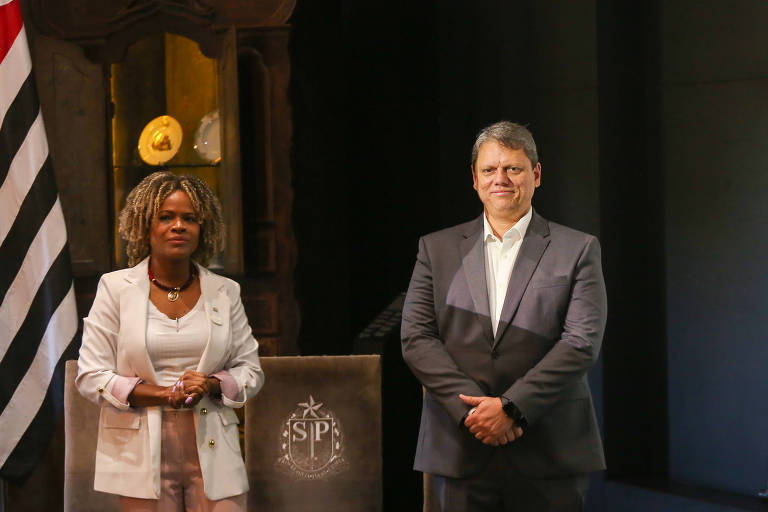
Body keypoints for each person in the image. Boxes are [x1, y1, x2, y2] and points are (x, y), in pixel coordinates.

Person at [401, 121, 607, 511]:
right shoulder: (436, 249)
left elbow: (580, 343)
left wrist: (512, 408)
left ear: (536, 174)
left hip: (550, 447)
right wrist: (474, 414)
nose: (501, 179)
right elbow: (416, 339)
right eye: (489, 170)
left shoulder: (578, 249)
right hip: (460, 446)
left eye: (513, 168)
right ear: (475, 180)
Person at [77, 171, 264, 511]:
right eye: (166, 217)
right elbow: (91, 376)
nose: (178, 226)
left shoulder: (225, 291)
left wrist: (210, 384)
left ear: (201, 229)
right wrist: (164, 394)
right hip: (138, 457)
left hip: (214, 453)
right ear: (145, 226)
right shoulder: (115, 289)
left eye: (189, 218)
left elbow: (250, 370)